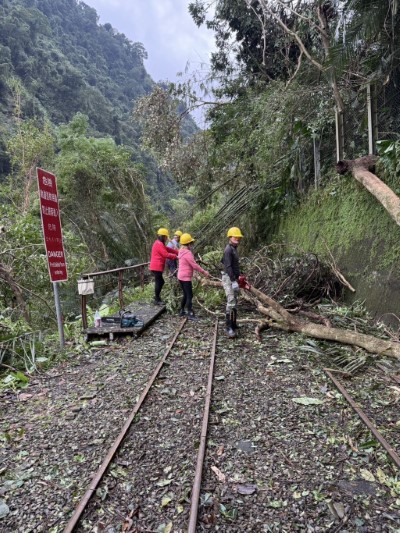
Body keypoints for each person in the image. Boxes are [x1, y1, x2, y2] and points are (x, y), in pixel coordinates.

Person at [177, 233, 209, 320]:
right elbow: (194, 265)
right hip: (185, 278)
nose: (192, 245)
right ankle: (190, 313)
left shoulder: (181, 251)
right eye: (191, 243)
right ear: (188, 244)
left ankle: (181, 311)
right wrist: (204, 272)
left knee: (185, 294)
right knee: (189, 295)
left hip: (180, 276)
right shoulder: (187, 253)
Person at [222, 227, 244, 338]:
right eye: (236, 237)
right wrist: (233, 280)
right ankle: (228, 327)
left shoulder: (234, 248)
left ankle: (234, 324)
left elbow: (235, 265)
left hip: (234, 278)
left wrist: (239, 275)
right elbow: (228, 266)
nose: (237, 239)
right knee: (230, 301)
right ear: (230, 237)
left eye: (238, 238)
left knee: (235, 301)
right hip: (228, 278)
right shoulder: (228, 250)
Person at [149, 228, 179, 305]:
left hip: (157, 266)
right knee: (160, 282)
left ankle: (157, 297)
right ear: (162, 236)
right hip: (156, 267)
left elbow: (168, 249)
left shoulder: (159, 243)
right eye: (165, 237)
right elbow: (165, 254)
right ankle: (157, 299)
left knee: (160, 282)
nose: (166, 238)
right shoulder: (159, 244)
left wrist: (178, 252)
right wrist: (176, 257)